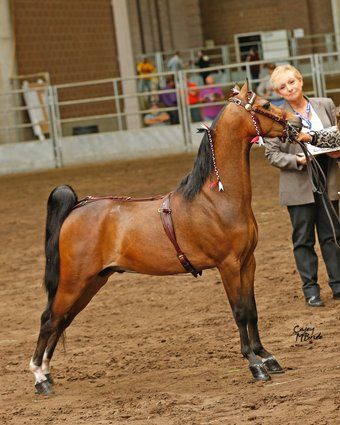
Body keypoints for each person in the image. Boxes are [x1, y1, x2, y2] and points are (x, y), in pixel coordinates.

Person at [264, 64, 340, 307]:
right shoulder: (275, 115)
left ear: (300, 80)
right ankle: (311, 291)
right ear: (278, 91)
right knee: (303, 239)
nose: (289, 88)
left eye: (291, 82)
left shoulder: (325, 104)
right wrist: (296, 160)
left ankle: (338, 285)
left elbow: (336, 134)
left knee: (332, 235)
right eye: (283, 86)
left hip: (329, 176)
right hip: (298, 182)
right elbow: (272, 154)